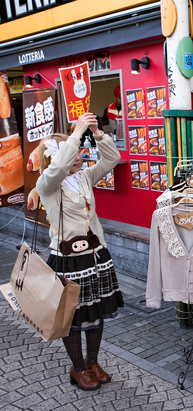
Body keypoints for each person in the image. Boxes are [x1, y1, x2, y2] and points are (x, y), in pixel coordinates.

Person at [36, 112, 124, 391]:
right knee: (72, 318)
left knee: (96, 312)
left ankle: (93, 362)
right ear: (56, 158)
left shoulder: (84, 177)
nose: (78, 156)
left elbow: (112, 160)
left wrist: (98, 134)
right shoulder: (48, 185)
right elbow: (57, 169)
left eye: (78, 151)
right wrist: (75, 134)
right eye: (70, 153)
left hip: (96, 256)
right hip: (68, 260)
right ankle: (78, 367)